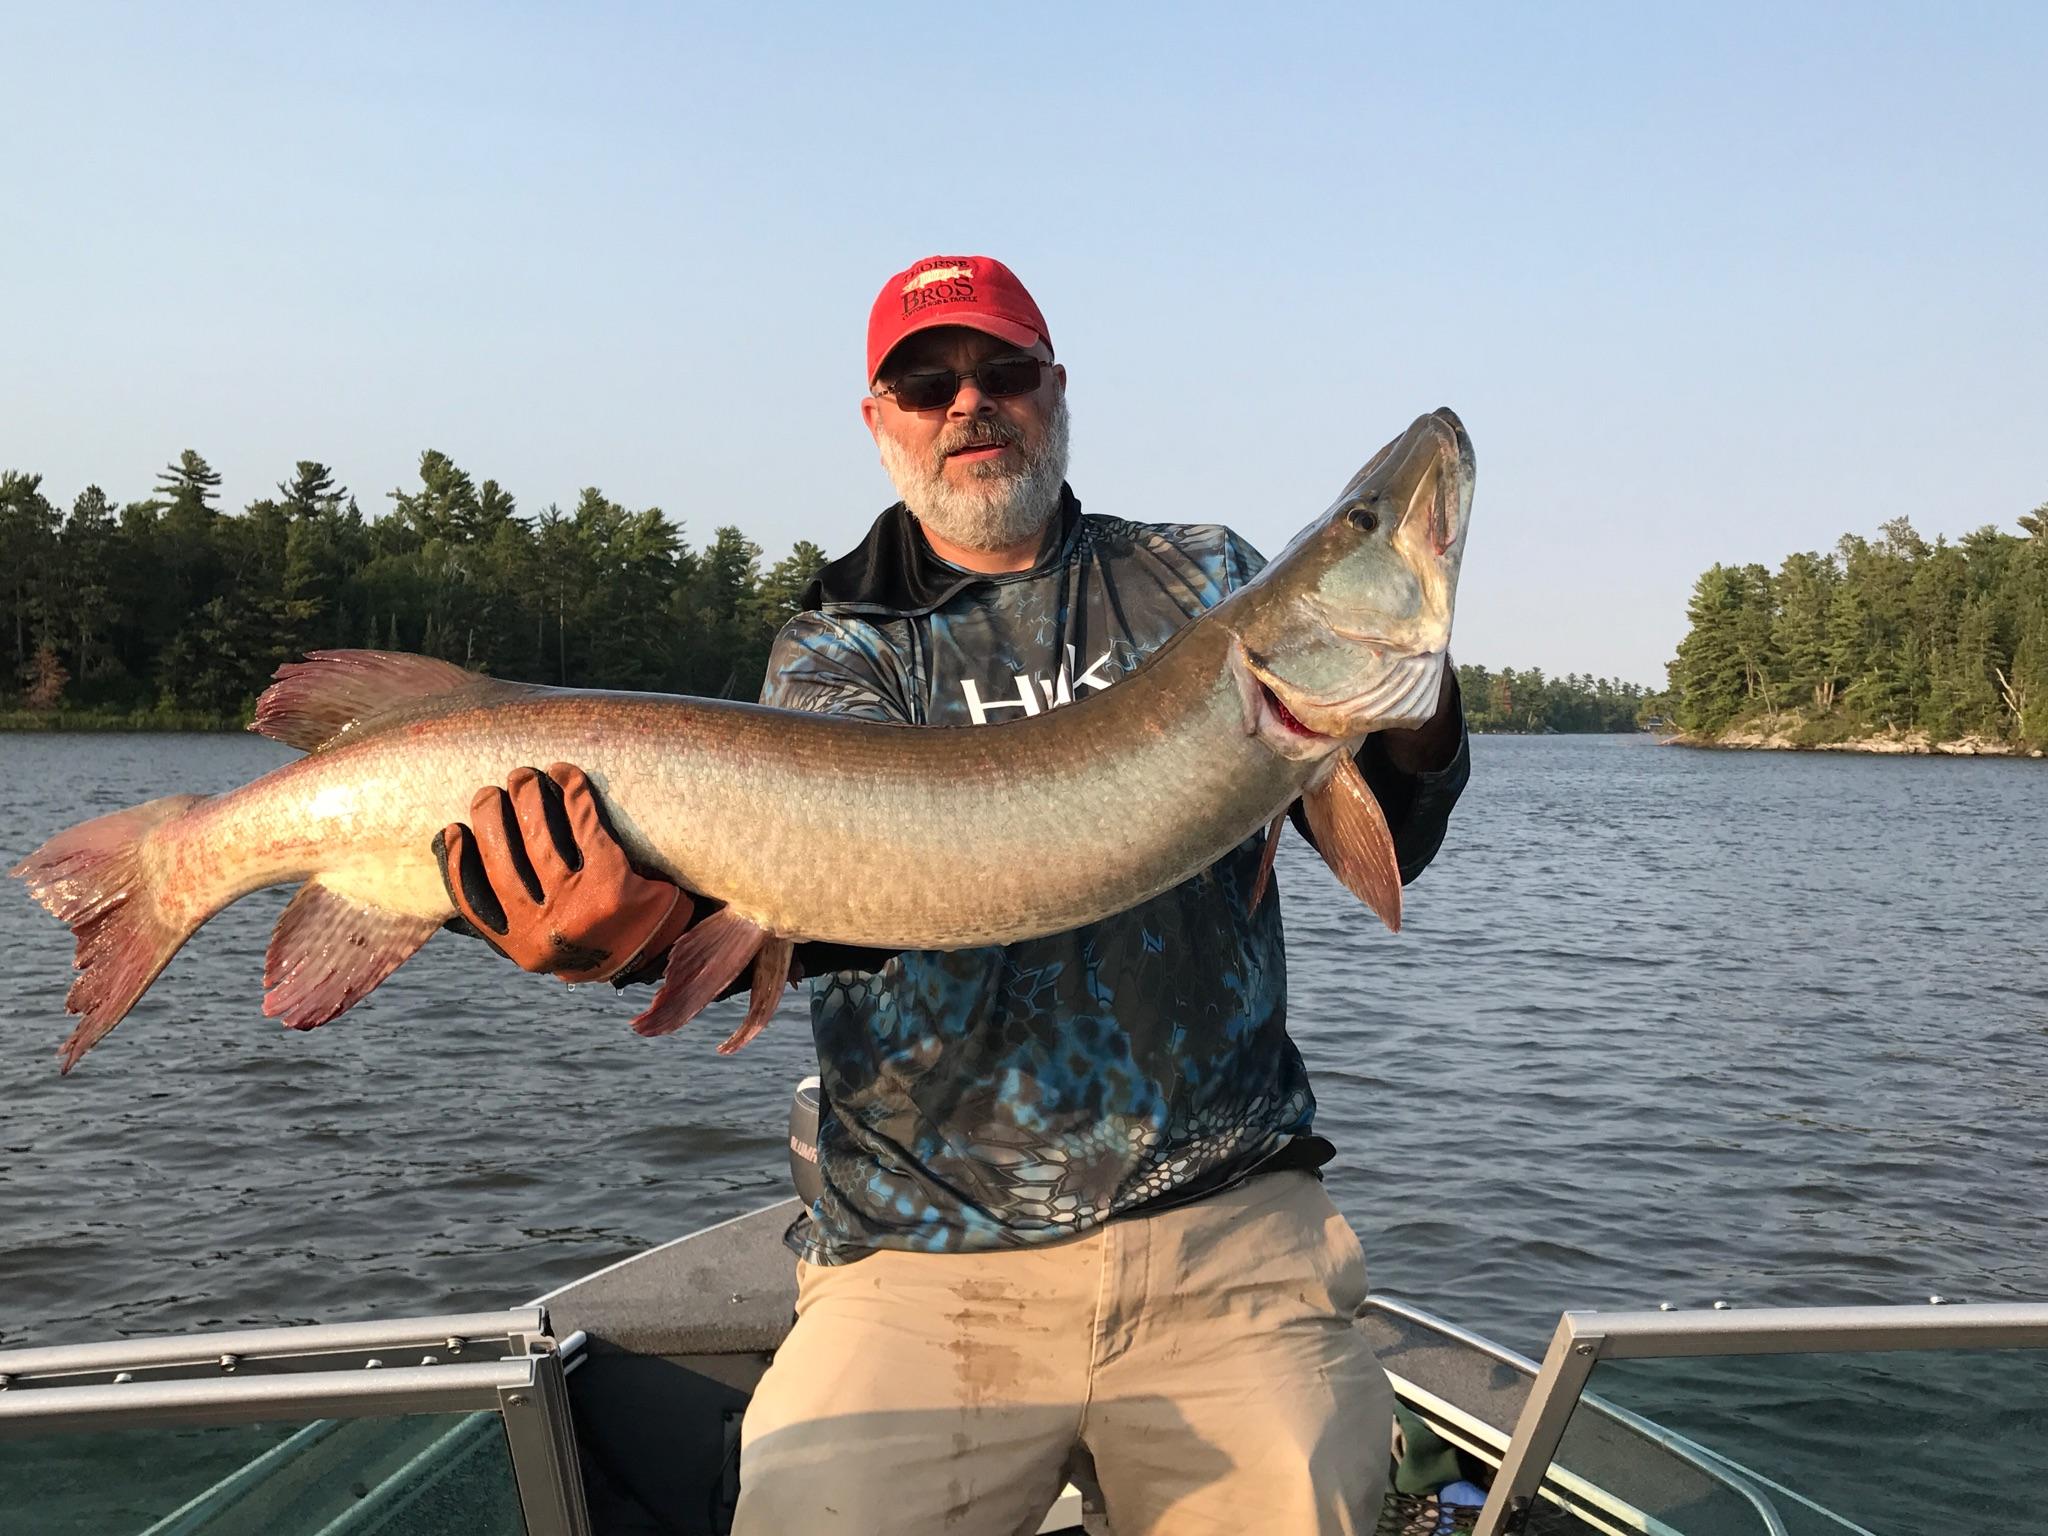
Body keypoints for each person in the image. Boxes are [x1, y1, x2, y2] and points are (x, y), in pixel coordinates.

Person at [436, 255, 1469, 1535]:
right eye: (924, 383)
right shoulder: (839, 643)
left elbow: (1396, 837)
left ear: (1054, 391)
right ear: (880, 425)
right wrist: (626, 946)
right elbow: (814, 905)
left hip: (1226, 1231)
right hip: (920, 1264)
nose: (966, 403)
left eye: (1002, 371)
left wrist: (1407, 700)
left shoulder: (1206, 580)